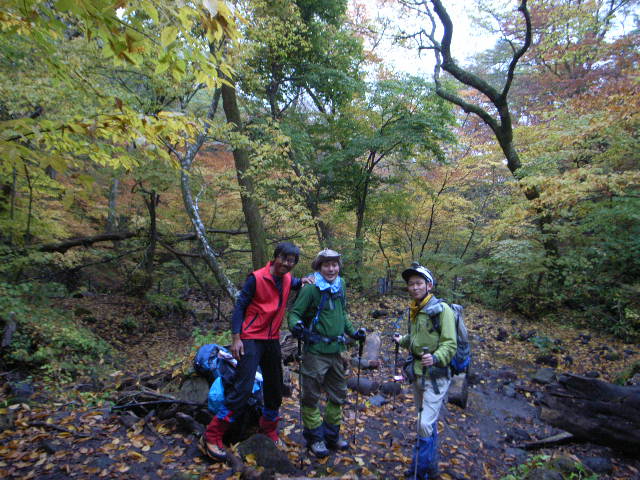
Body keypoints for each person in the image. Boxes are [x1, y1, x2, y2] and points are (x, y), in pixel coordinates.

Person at [200, 242, 313, 461]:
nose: (286, 264)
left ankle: (268, 429)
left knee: (275, 386)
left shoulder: (289, 279)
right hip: (250, 337)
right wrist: (236, 338)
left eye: (291, 261)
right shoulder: (257, 278)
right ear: (275, 257)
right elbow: (240, 307)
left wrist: (305, 281)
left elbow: (296, 283)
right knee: (243, 388)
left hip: (272, 339)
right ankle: (211, 436)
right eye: (283, 258)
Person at [288, 249, 366, 458]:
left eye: (334, 264)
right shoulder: (311, 288)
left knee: (338, 394)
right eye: (326, 265)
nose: (331, 269)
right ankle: (315, 438)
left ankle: (331, 435)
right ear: (319, 267)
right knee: (311, 396)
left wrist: (353, 332)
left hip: (337, 351)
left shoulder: (341, 285)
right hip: (315, 351)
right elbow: (294, 313)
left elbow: (343, 313)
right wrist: (297, 327)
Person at [393, 262, 457, 480]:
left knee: (423, 424)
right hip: (418, 372)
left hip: (436, 376)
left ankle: (418, 473)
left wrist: (437, 357)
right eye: (411, 284)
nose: (414, 287)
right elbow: (417, 339)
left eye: (419, 283)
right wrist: (403, 340)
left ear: (429, 285)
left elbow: (450, 343)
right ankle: (430, 467)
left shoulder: (442, 310)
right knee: (426, 423)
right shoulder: (416, 309)